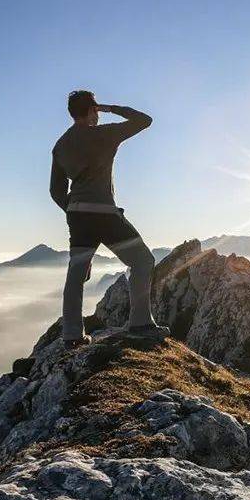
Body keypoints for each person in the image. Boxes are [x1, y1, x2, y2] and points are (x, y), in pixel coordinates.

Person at [50, 90, 169, 347]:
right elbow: (143, 120)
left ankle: (71, 335)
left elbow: (56, 191)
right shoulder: (104, 135)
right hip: (105, 214)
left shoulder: (60, 146)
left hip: (78, 217)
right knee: (143, 261)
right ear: (93, 110)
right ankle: (140, 323)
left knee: (76, 273)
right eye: (96, 110)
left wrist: (73, 210)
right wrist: (109, 107)